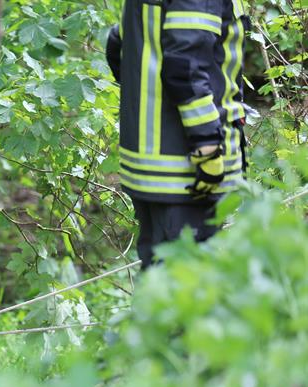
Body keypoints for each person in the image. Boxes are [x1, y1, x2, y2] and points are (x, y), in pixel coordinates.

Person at [106, 0, 249, 268]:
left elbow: (117, 44)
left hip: (150, 166)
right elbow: (186, 67)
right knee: (185, 285)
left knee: (160, 283)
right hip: (187, 172)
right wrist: (207, 147)